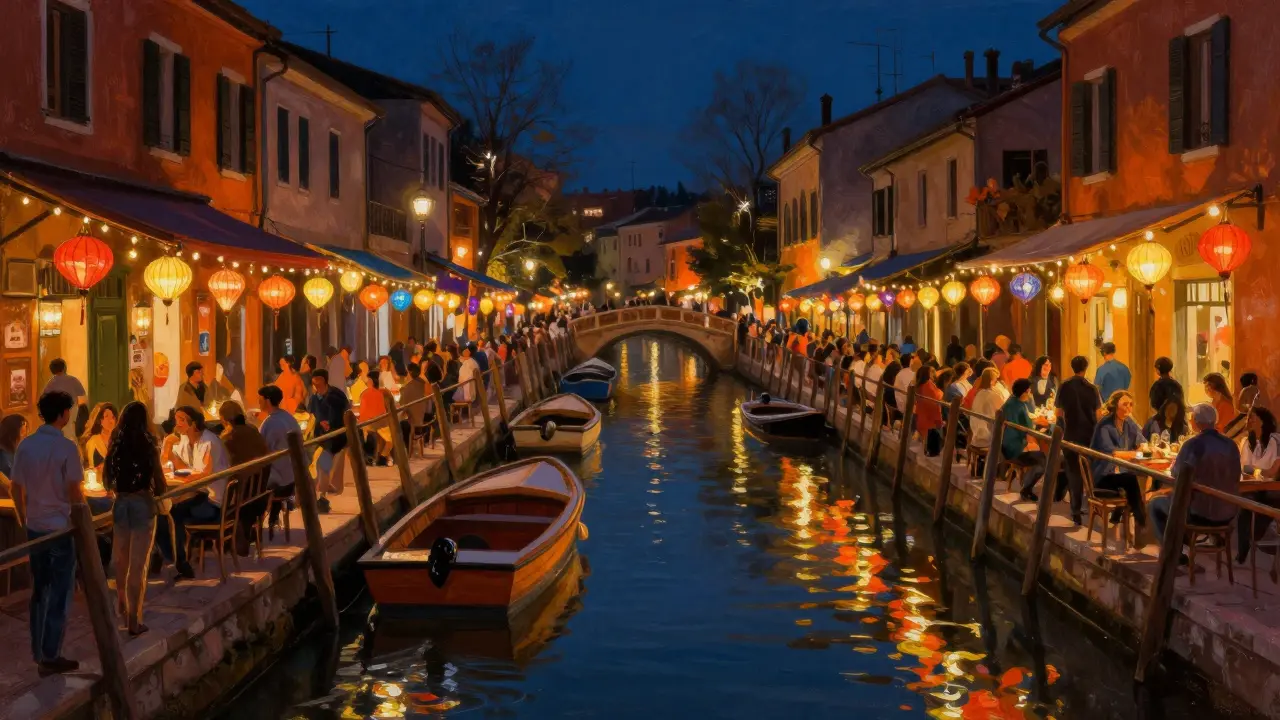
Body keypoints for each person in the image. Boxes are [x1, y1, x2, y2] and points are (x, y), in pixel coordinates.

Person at [9, 391, 85, 675]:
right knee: (61, 591)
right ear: (63, 414)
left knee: (40, 589)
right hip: (60, 528)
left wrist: (23, 516)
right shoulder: (66, 448)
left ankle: (38, 651)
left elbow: (16, 487)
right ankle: (51, 654)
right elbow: (75, 491)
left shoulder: (26, 446)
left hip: (34, 526)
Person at [102, 401, 167, 636]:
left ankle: (120, 600)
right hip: (141, 503)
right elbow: (160, 483)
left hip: (120, 503)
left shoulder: (115, 443)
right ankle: (133, 620)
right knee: (138, 565)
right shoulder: (149, 444)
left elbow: (105, 479)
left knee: (121, 558)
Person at [1148, 404, 1240, 557]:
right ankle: (1187, 544)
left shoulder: (1193, 444)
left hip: (1198, 513)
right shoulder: (1231, 445)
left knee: (1155, 504)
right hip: (1227, 512)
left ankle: (1174, 555)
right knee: (1171, 499)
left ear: (1195, 422)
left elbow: (1177, 473)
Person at [157, 406, 230, 578]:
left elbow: (204, 475)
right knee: (165, 511)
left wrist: (183, 484)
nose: (177, 424)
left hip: (213, 502)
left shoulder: (209, 442)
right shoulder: (183, 440)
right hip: (199, 493)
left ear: (193, 423)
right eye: (177, 420)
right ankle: (173, 558)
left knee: (173, 513)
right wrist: (167, 444)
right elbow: (169, 464)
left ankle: (179, 561)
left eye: (182, 420)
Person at [1088, 391, 1147, 529]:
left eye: (1131, 405)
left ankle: (1124, 518)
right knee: (1131, 480)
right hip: (1103, 475)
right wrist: (1136, 454)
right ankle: (1141, 521)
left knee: (1137, 478)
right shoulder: (1104, 425)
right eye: (1125, 404)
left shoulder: (1129, 422)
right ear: (1115, 406)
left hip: (1119, 473)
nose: (1128, 408)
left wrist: (1143, 447)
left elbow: (1143, 442)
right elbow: (1113, 453)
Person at [1056, 356, 1102, 525]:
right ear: (1086, 367)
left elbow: (1058, 414)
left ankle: (1075, 510)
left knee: (1073, 472)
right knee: (1088, 472)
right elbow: (1098, 415)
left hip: (1070, 434)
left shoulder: (1064, 386)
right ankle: (1091, 507)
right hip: (1088, 436)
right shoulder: (1092, 389)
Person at [218, 400, 269, 549]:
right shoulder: (253, 430)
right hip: (259, 492)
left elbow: (222, 465)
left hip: (241, 495)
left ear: (223, 419)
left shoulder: (228, 437)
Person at [1236, 407, 1280, 563]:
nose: (1249, 421)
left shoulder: (1276, 441)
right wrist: (1258, 472)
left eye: (1253, 418)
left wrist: (1255, 471)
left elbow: (1273, 472)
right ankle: (1244, 549)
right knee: (1245, 504)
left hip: (1272, 489)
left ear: (1264, 421)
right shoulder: (1246, 441)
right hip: (1252, 488)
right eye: (1248, 418)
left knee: (1261, 502)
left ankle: (1255, 538)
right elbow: (1242, 468)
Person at [259, 385, 304, 527]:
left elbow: (262, 450)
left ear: (267, 401)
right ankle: (273, 516)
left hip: (282, 480)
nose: (258, 403)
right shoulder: (288, 417)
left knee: (250, 486)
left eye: (260, 400)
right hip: (293, 476)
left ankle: (254, 526)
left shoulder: (270, 422)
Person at [42, 359, 87, 442]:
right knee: (71, 436)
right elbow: (83, 401)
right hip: (72, 412)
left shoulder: (50, 384)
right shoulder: (73, 380)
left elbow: (44, 403)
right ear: (64, 368)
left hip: (56, 414)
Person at [358, 371, 390, 466]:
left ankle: (374, 457)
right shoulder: (383, 393)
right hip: (380, 423)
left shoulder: (364, 394)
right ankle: (383, 457)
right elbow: (383, 412)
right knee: (390, 439)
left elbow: (362, 412)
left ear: (371, 381)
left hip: (366, 424)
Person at [968, 369, 1004, 450]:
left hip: (976, 433)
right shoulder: (992, 394)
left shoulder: (979, 393)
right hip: (988, 435)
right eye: (995, 379)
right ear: (991, 380)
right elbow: (1001, 410)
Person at [399, 362, 432, 446]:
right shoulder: (425, 384)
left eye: (406, 373)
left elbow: (401, 406)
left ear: (409, 373)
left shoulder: (407, 388)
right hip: (427, 418)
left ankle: (405, 450)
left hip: (416, 423)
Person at [79, 402, 117, 472]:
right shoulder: (93, 441)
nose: (110, 421)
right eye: (106, 416)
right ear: (100, 421)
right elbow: (91, 469)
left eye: (113, 417)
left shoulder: (119, 440)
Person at [915, 366, 944, 456]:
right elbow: (933, 403)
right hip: (929, 419)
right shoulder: (928, 385)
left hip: (922, 416)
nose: (935, 373)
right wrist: (939, 421)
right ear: (927, 374)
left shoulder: (921, 385)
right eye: (932, 372)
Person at [1203, 373, 1240, 437]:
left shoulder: (1226, 406)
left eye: (1208, 386)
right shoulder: (1213, 403)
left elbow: (1223, 430)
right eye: (1205, 386)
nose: (1206, 389)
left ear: (1215, 387)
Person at [0, 414, 28, 480]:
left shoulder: (12, 452)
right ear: (12, 435)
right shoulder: (3, 456)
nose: (26, 439)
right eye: (23, 436)